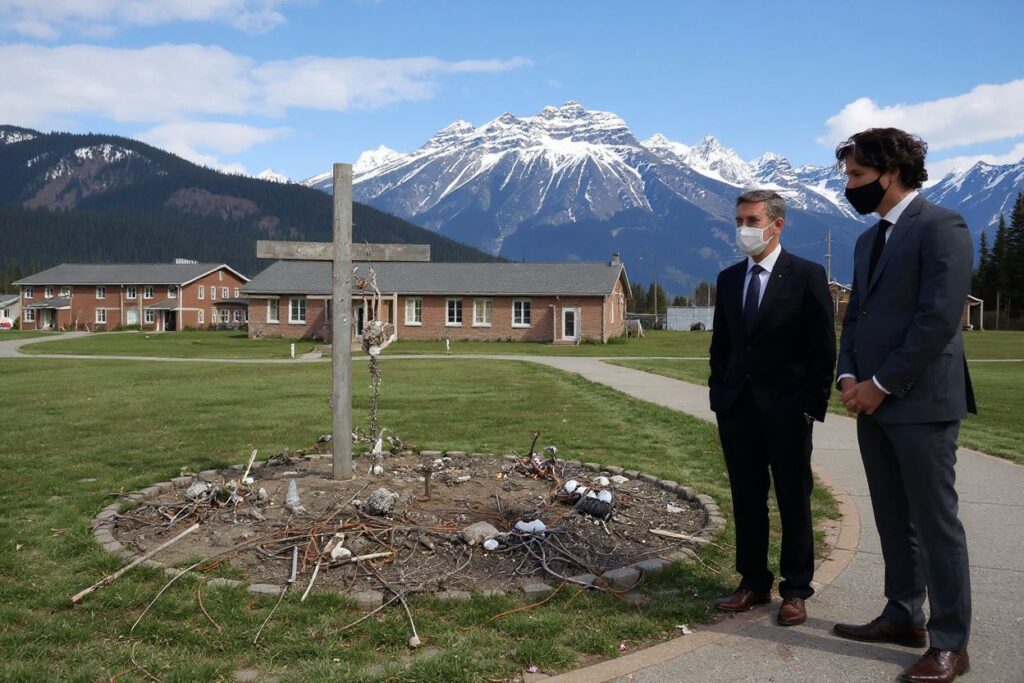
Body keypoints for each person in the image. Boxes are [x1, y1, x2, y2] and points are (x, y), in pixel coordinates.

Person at [832, 128, 975, 683]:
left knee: (936, 523)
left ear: (891, 172)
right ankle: (902, 614)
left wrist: (881, 383)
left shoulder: (942, 227)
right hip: (871, 403)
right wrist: (848, 375)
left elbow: (938, 319)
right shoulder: (868, 240)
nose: (849, 186)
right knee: (892, 515)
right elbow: (856, 315)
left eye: (857, 175)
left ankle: (951, 642)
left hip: (921, 403)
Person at [709, 189, 835, 626]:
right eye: (739, 221)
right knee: (746, 498)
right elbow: (722, 344)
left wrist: (812, 407)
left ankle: (796, 590)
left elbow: (823, 349)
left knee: (793, 499)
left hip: (788, 411)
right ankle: (753, 582)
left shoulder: (807, 275)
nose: (743, 229)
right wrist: (719, 395)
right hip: (737, 409)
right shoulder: (729, 279)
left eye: (752, 221)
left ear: (776, 225)